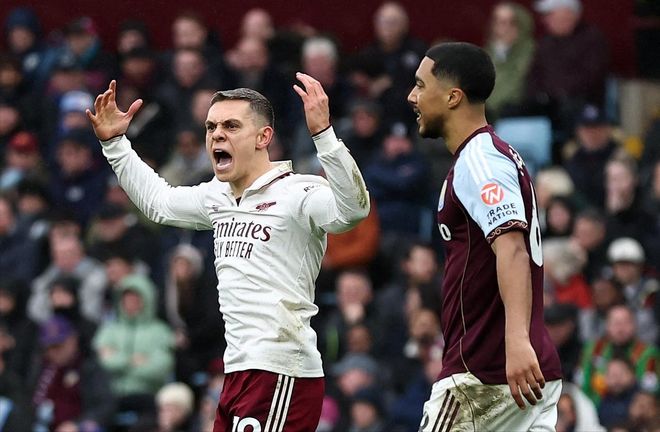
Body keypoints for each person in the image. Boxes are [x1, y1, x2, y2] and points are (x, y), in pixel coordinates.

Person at [86, 75, 369, 430]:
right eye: (211, 127)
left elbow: (353, 210)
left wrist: (324, 135)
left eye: (231, 126)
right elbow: (159, 203)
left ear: (263, 137)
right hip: (237, 370)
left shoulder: (298, 192)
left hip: (279, 369)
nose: (217, 135)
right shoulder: (217, 197)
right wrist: (115, 144)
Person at [407, 42, 562, 430]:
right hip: (517, 371)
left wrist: (516, 340)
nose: (412, 96)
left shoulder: (480, 160)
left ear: (453, 97)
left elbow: (511, 249)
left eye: (421, 85)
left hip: (486, 374)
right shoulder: (489, 155)